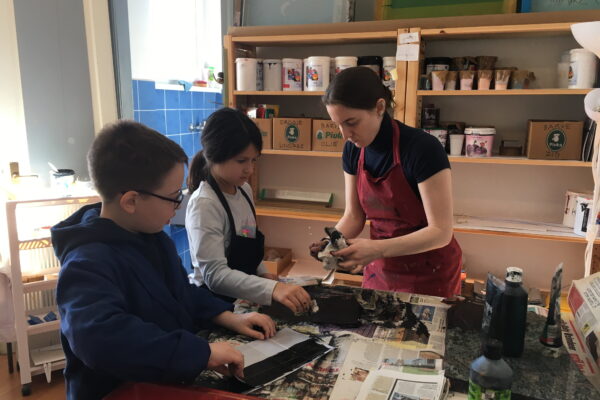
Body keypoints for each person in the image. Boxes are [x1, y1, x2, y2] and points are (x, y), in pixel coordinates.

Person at [52, 120, 276, 400]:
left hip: (164, 381)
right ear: (131, 201)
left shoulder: (154, 238)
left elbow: (181, 293)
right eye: (173, 197)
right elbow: (101, 340)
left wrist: (231, 318)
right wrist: (201, 353)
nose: (178, 205)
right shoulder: (86, 263)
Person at [310, 67, 462, 298]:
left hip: (430, 270)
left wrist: (376, 249)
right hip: (380, 268)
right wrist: (330, 244)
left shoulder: (422, 148)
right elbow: (354, 215)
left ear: (380, 107)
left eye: (351, 122)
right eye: (337, 124)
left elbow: (440, 232)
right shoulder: (353, 151)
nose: (345, 134)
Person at [186, 107, 311, 313]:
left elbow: (247, 240)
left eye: (254, 160)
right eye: (241, 161)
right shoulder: (205, 204)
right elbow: (214, 275)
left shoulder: (244, 190)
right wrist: (270, 289)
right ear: (216, 154)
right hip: (214, 306)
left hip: (243, 296)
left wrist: (264, 274)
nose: (250, 169)